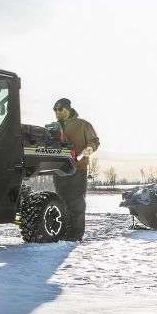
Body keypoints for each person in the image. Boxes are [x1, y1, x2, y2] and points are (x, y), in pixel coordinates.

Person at [50, 98, 99, 239]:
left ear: (68, 109)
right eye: (55, 109)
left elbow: (94, 141)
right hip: (58, 169)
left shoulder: (83, 124)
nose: (57, 112)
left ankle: (76, 235)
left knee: (76, 202)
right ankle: (62, 233)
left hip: (78, 168)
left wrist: (88, 150)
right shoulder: (53, 127)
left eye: (60, 109)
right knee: (61, 201)